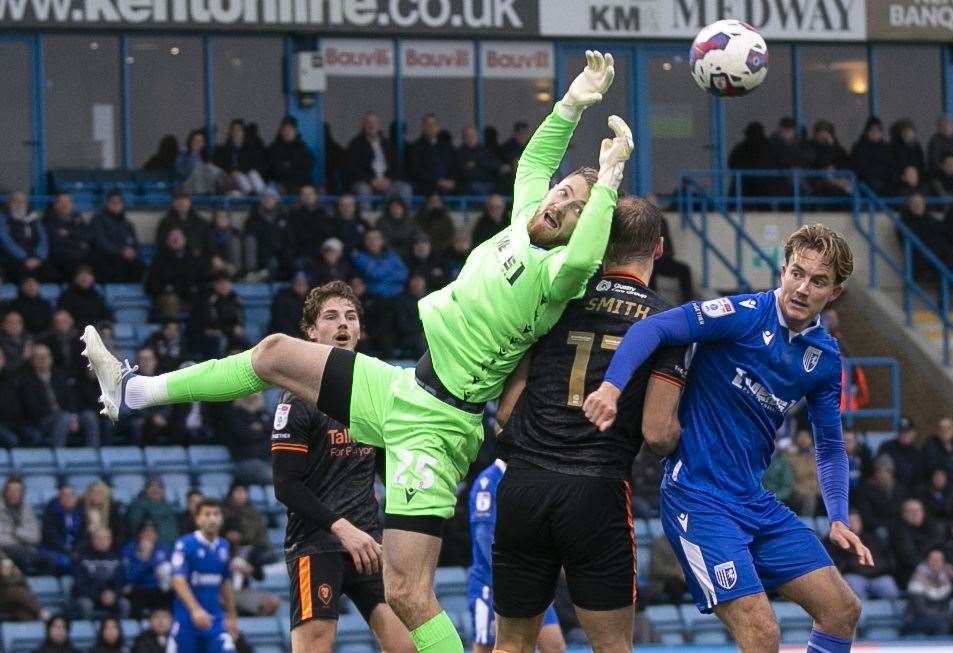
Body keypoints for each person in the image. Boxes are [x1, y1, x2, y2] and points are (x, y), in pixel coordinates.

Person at [83, 50, 625, 653]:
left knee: (407, 594)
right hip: (403, 387)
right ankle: (133, 391)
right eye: (566, 193)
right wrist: (574, 102)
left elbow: (583, 256)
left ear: (586, 225)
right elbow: (536, 158)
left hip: (440, 426)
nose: (561, 203)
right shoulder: (529, 211)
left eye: (576, 208)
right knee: (271, 354)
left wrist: (610, 179)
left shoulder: (560, 273)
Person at [583, 223, 867, 653]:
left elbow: (828, 446)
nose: (803, 288)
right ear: (782, 272)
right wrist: (610, 387)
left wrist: (839, 516)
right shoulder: (742, 314)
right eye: (796, 273)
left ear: (835, 292)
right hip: (697, 499)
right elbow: (653, 329)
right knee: (761, 631)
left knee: (842, 609)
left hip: (753, 502)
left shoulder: (824, 358)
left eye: (818, 281)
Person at [490, 196, 687, 652]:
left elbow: (504, 412)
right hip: (594, 491)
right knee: (612, 646)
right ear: (658, 248)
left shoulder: (558, 297)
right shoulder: (667, 321)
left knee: (510, 645)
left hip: (525, 485)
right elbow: (658, 434)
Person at [269, 280, 413, 653]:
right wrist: (342, 529)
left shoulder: (374, 395)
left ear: (359, 330)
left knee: (407, 646)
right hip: (316, 544)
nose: (342, 324)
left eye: (350, 316)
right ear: (311, 333)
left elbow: (386, 470)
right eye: (330, 317)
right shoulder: (297, 400)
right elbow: (285, 486)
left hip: (368, 543)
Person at [467, 460, 565, 653]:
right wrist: (510, 574)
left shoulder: (531, 475)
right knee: (487, 647)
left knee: (555, 646)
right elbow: (484, 537)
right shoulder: (488, 481)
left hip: (532, 580)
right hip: (493, 583)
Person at [169, 498, 237, 653]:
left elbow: (225, 582)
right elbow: (178, 581)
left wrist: (232, 616)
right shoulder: (185, 544)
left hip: (215, 620)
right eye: (207, 514)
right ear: (197, 519)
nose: (212, 518)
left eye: (216, 514)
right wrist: (195, 610)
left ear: (221, 518)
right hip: (187, 620)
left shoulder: (223, 546)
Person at [342, 111, 411, 208]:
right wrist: (371, 180)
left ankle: (403, 220)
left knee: (405, 188)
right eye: (368, 122)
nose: (371, 125)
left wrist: (389, 180)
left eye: (374, 123)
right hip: (366, 182)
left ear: (379, 126)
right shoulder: (355, 145)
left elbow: (397, 166)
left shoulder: (387, 144)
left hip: (387, 182)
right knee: (363, 190)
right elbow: (352, 168)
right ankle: (367, 220)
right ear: (363, 125)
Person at [826, 511, 897, 600]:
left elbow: (887, 559)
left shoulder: (873, 539)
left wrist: (876, 568)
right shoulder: (834, 542)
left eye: (856, 521)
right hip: (853, 576)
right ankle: (862, 613)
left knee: (888, 586)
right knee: (853, 584)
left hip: (878, 576)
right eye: (850, 522)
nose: (853, 524)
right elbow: (836, 563)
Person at [73, 527, 128, 618]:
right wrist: (99, 595)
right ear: (92, 540)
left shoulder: (117, 559)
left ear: (110, 541)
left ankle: (117, 631)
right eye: (98, 538)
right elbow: (79, 586)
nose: (102, 541)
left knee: (124, 604)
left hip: (111, 598)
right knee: (85, 605)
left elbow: (121, 582)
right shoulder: (82, 559)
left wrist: (113, 594)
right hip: (89, 597)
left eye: (106, 538)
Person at [122, 521, 173, 617]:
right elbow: (129, 577)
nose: (149, 535)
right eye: (146, 532)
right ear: (140, 534)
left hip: (159, 589)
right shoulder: (129, 549)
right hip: (138, 588)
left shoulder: (164, 548)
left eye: (152, 532)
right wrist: (144, 558)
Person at [92, 189, 143, 283]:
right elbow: (101, 242)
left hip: (126, 260)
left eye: (119, 201)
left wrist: (132, 253)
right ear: (107, 203)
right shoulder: (98, 219)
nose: (116, 204)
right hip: (107, 259)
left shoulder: (128, 224)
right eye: (113, 201)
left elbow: (134, 245)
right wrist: (121, 252)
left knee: (139, 263)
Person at [44, 192, 96, 281]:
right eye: (62, 202)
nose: (65, 205)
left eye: (68, 202)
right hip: (60, 259)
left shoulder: (78, 218)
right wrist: (78, 242)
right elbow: (56, 242)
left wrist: (69, 233)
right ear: (55, 204)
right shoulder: (47, 220)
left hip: (80, 256)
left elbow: (88, 236)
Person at [0, 191, 52, 281]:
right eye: (16, 201)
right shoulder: (3, 219)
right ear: (9, 203)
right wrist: (24, 258)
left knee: (52, 272)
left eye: (22, 201)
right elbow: (6, 241)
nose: (19, 204)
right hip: (13, 259)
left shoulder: (34, 219)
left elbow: (43, 239)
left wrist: (39, 257)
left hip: (35, 259)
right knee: (27, 274)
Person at [901, 548, 953, 636]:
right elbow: (920, 609)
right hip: (915, 619)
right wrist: (939, 617)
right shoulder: (917, 579)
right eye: (933, 560)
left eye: (939, 560)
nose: (936, 563)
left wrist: (941, 616)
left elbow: (945, 607)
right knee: (941, 624)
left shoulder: (946, 581)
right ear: (927, 561)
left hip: (937, 618)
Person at [406, 113, 457, 195]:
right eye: (429, 124)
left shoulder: (446, 146)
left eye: (434, 124)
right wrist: (437, 181)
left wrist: (452, 181)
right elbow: (416, 171)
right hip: (428, 184)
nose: (432, 127)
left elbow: (454, 165)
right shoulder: (415, 147)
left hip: (448, 183)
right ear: (423, 127)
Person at [212, 119, 267, 195]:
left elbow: (256, 165)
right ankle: (252, 195)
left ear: (243, 133)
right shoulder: (224, 149)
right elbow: (219, 164)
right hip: (230, 181)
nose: (235, 133)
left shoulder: (251, 149)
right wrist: (231, 171)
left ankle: (262, 195)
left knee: (252, 174)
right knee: (238, 175)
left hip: (248, 180)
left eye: (238, 130)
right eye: (233, 130)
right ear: (230, 132)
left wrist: (240, 170)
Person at [41, 484, 84, 575]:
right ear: (59, 498)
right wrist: (68, 550)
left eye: (71, 495)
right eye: (64, 495)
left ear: (76, 498)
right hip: (56, 550)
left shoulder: (81, 514)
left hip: (76, 550)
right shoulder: (51, 513)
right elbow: (51, 536)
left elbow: (83, 536)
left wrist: (76, 550)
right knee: (64, 562)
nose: (68, 498)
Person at [267, 116, 315, 193]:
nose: (287, 132)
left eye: (290, 129)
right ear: (281, 131)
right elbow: (275, 168)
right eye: (285, 129)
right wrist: (294, 166)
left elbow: (309, 163)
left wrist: (289, 165)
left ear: (295, 131)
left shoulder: (302, 147)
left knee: (310, 192)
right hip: (280, 184)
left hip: (300, 183)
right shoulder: (274, 147)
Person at [875, 416, 924, 491]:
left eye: (908, 431)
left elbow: (919, 480)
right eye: (902, 431)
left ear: (914, 433)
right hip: (888, 493)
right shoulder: (886, 448)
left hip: (909, 494)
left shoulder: (917, 453)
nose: (904, 434)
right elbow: (878, 473)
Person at [57, 266, 113, 331]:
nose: (84, 278)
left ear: (92, 278)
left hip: (95, 332)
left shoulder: (96, 296)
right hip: (74, 333)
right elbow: (62, 316)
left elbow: (106, 316)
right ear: (75, 278)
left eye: (87, 275)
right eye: (81, 275)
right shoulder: (66, 296)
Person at [126, 477, 178, 545]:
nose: (156, 490)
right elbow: (135, 529)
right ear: (146, 489)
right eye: (152, 486)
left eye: (159, 487)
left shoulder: (168, 507)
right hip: (148, 547)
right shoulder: (137, 506)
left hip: (170, 546)